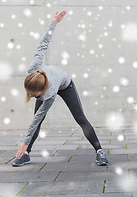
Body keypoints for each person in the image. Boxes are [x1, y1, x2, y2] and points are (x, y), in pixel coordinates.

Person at [12, 11, 108, 167]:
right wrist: (53, 22)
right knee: (38, 121)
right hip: (48, 82)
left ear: (42, 92)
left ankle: (99, 151)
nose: (30, 96)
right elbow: (43, 44)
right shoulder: (33, 68)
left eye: (33, 94)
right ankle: (26, 155)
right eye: (28, 92)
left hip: (65, 84)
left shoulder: (48, 96)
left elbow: (34, 121)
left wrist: (23, 142)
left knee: (80, 118)